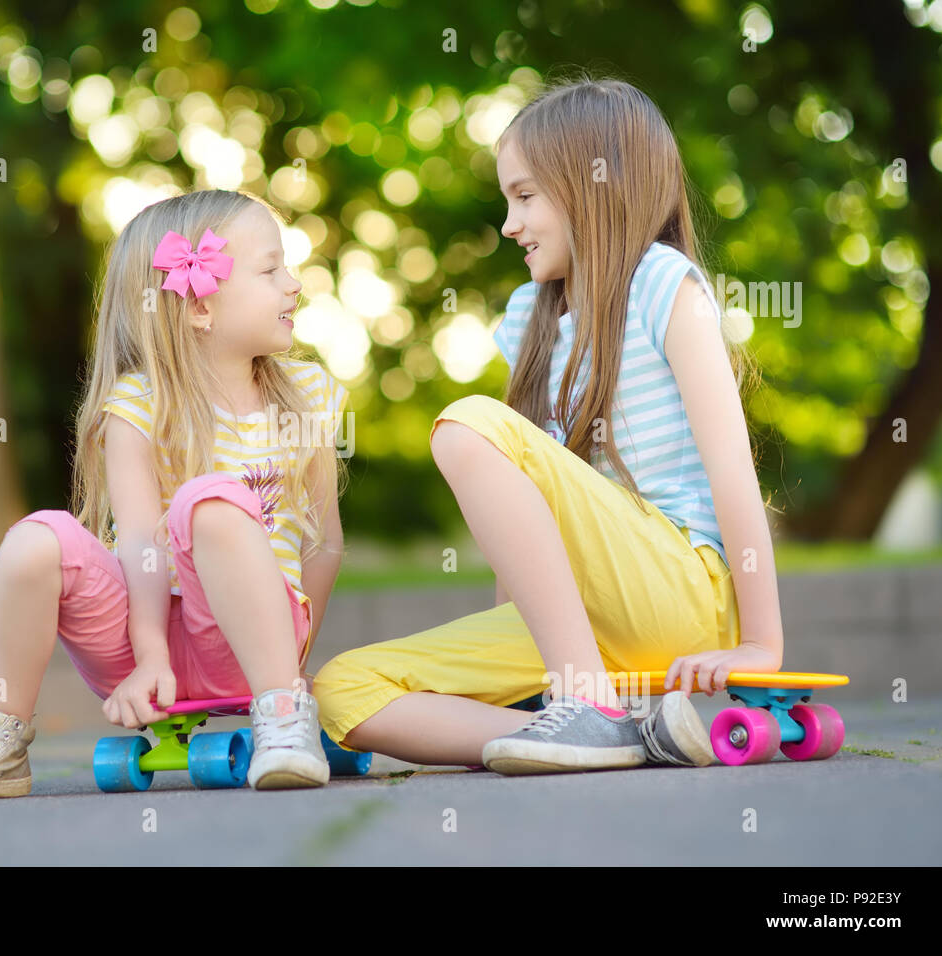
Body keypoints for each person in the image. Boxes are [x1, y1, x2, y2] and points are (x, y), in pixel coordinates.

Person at [314, 76, 780, 775]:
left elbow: (733, 473)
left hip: (680, 592)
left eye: (525, 196)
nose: (509, 224)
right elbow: (529, 515)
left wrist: (760, 645)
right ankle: (607, 732)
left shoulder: (663, 285)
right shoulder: (530, 319)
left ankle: (587, 704)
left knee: (468, 422)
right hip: (584, 631)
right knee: (340, 689)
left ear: (597, 186)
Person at [0, 189, 349, 798]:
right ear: (199, 307)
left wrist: (290, 662)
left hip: (251, 645)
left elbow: (324, 543)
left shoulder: (306, 393)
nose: (293, 284)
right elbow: (138, 543)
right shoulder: (136, 407)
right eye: (271, 269)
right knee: (36, 538)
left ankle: (283, 717)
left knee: (208, 502)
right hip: (143, 645)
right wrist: (152, 655)